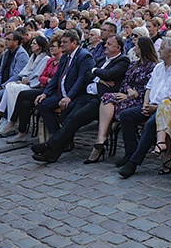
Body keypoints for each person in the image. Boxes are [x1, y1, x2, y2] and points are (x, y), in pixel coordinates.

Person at [32, 35, 129, 163]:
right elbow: (87, 76)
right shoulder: (101, 60)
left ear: (118, 48)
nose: (105, 45)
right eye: (106, 43)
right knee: (68, 113)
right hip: (87, 95)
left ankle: (49, 145)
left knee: (76, 117)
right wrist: (99, 77)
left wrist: (95, 71)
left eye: (110, 44)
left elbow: (108, 74)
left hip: (102, 100)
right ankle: (52, 153)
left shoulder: (123, 61)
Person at [115, 37, 171, 178]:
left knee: (150, 124)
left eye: (162, 49)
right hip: (150, 104)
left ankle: (134, 162)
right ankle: (130, 151)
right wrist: (145, 105)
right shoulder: (159, 67)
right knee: (126, 115)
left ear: (170, 52)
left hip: (166, 109)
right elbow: (148, 88)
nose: (159, 50)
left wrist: (155, 108)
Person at [86, 36, 158, 161]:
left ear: (142, 49)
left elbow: (151, 87)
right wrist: (128, 90)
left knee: (115, 108)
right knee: (107, 98)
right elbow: (125, 82)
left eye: (136, 46)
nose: (134, 48)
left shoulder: (153, 67)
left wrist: (134, 93)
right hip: (128, 95)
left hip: (141, 98)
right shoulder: (134, 64)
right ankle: (101, 138)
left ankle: (103, 143)